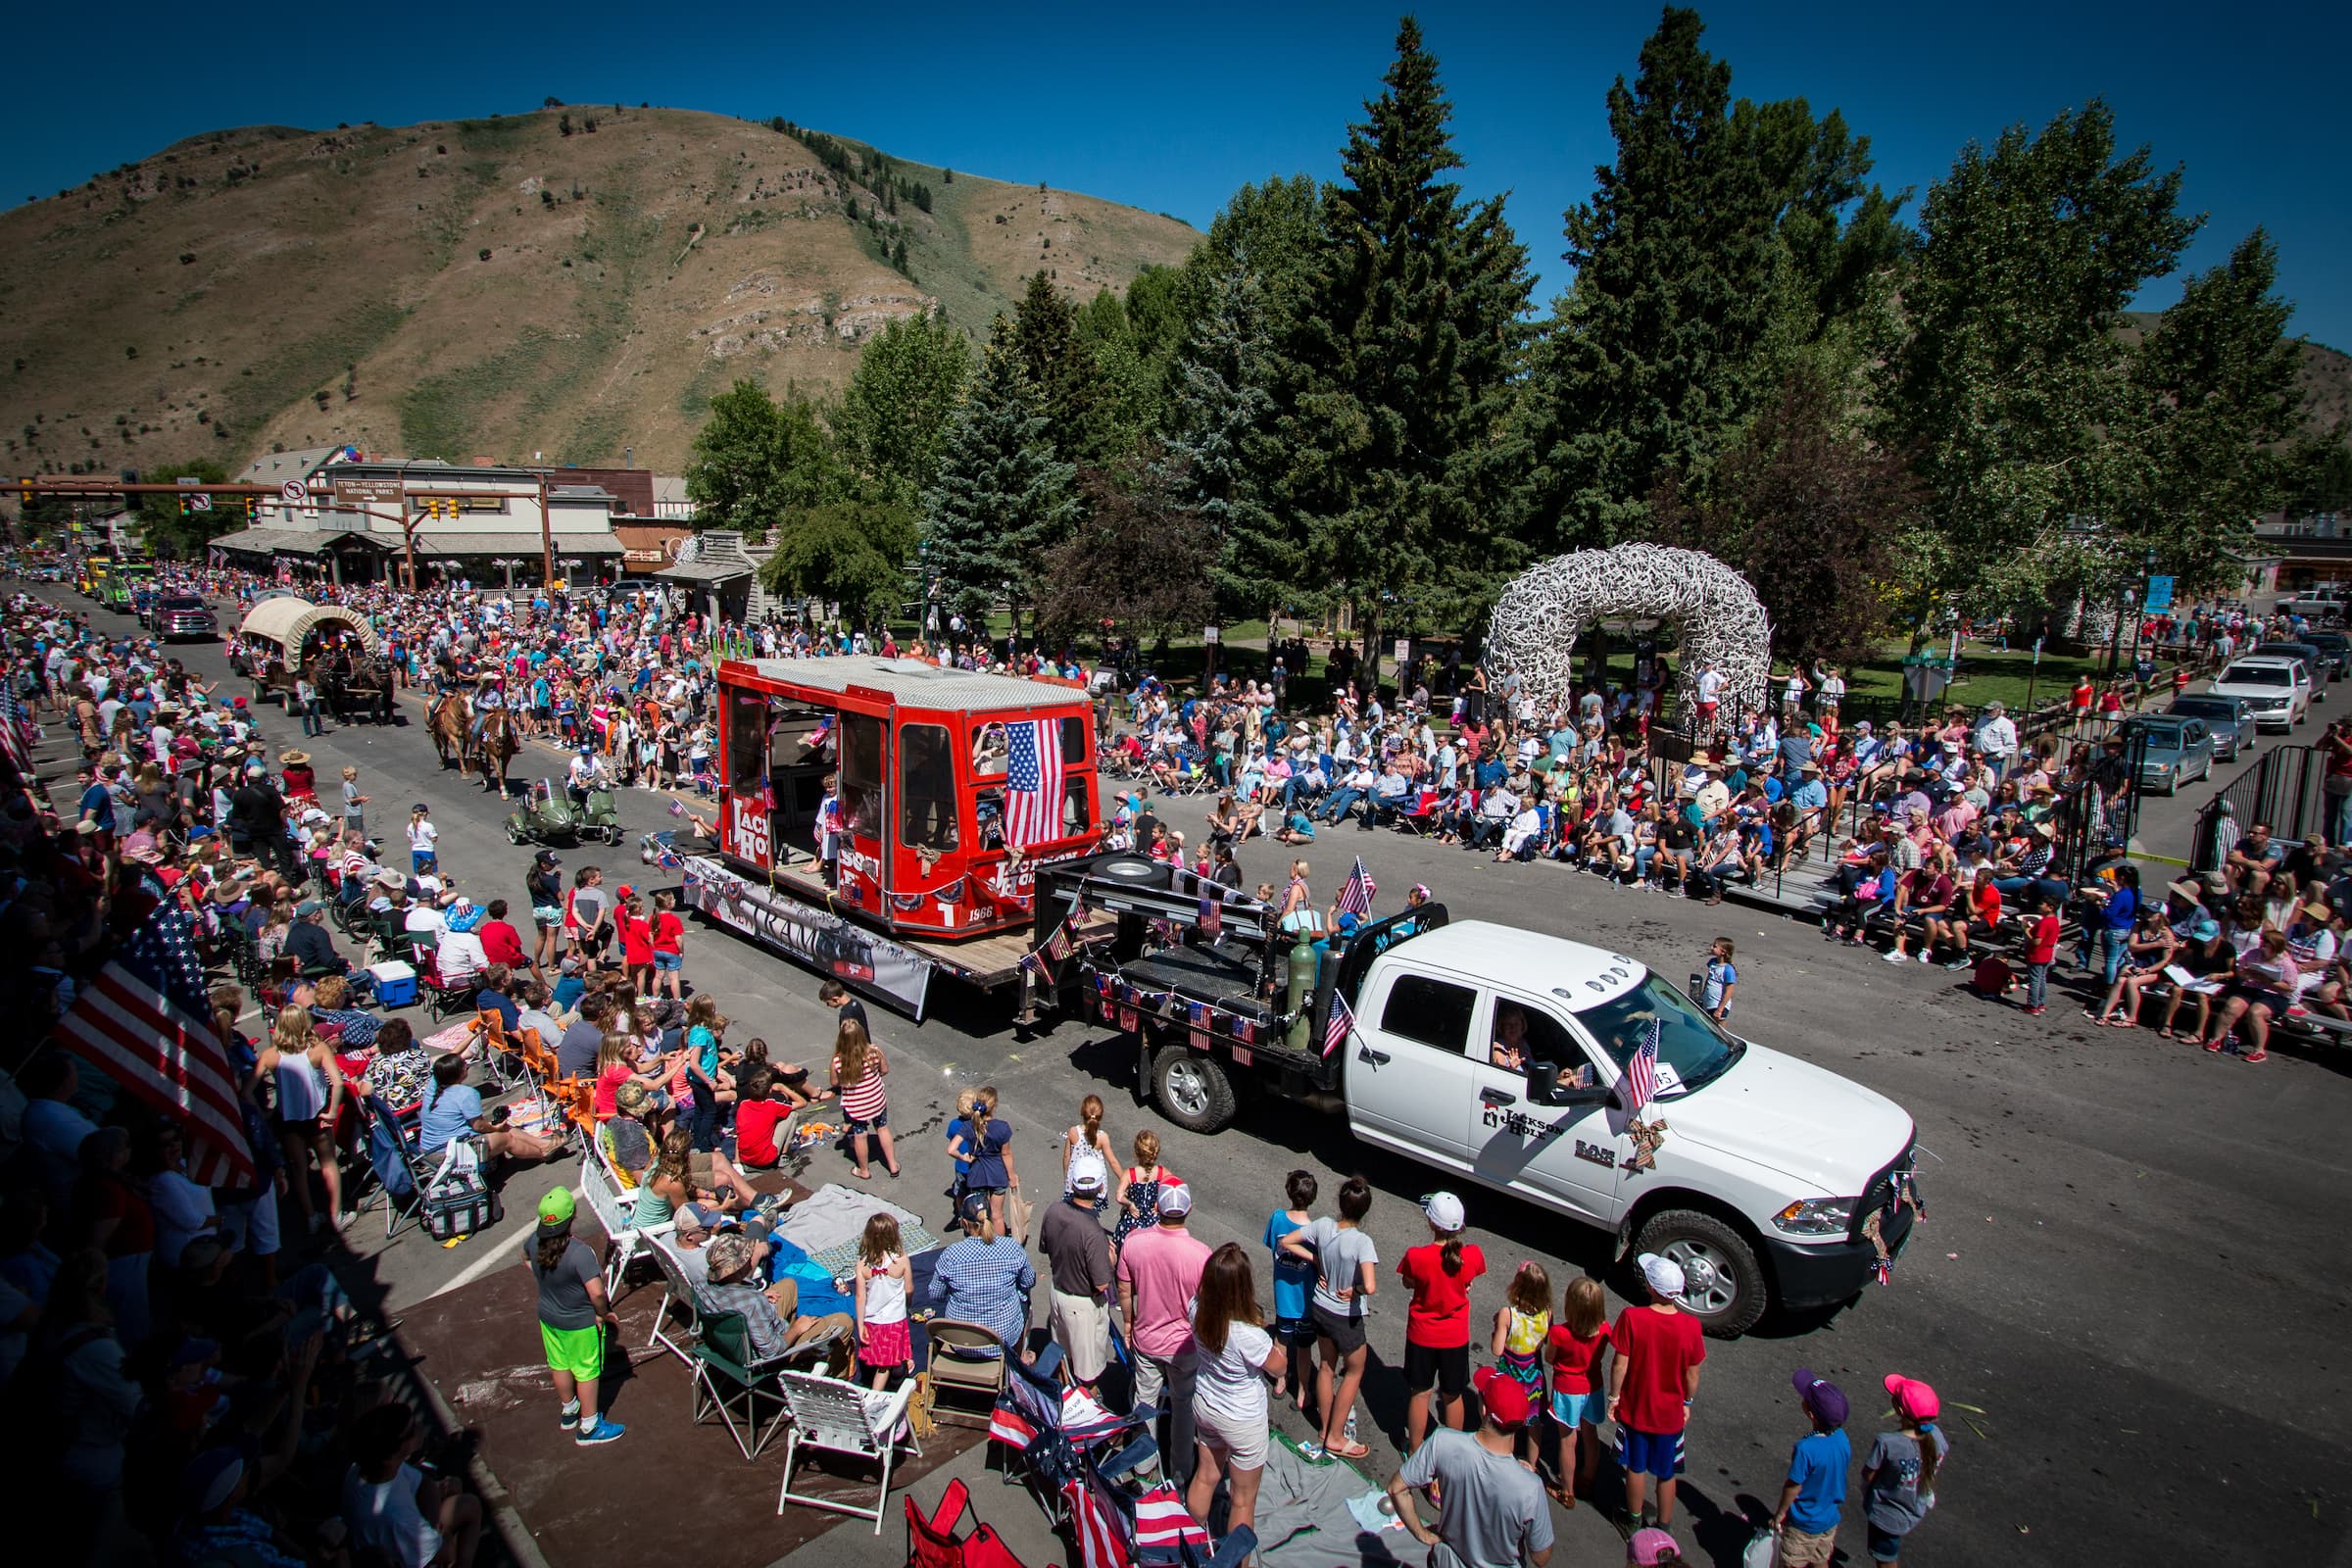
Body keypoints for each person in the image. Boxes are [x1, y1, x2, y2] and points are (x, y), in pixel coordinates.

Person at [1386, 1364, 1556, 1568]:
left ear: (1484, 1409)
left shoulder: (1443, 1442)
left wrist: (1422, 1533)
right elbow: (1541, 1557)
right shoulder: (1530, 1487)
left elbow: (1396, 1489)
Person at [1186, 1242, 1282, 1539]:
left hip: (1206, 1402)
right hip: (1242, 1417)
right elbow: (1278, 1368)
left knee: (1204, 1477)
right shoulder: (1249, 1335)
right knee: (1242, 1501)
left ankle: (1190, 1543)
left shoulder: (1195, 1310)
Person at [1606, 1253, 1707, 1531]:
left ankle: (1633, 1519)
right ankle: (1664, 1525)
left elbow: (1620, 1364)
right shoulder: (1691, 1327)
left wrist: (1614, 1397)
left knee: (1635, 1467)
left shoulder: (1632, 1318)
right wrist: (1687, 1401)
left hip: (1636, 1408)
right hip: (1670, 1414)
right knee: (1667, 1472)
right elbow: (1692, 1373)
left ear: (1651, 1288)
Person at [1117, 1182, 1211, 1480]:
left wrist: (1129, 1325)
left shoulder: (1134, 1243)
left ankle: (1143, 1468)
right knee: (1184, 1407)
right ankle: (1181, 1473)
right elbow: (1208, 1306)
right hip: (1184, 1347)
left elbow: (1124, 1288)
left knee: (1144, 1401)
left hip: (1146, 1339)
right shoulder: (1201, 1254)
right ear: (1188, 1210)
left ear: (1156, 1208)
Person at [525, 1188, 625, 1445]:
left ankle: (569, 1410)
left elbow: (526, 1258)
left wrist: (544, 1279)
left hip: (549, 1317)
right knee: (587, 1371)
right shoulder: (580, 1253)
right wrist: (604, 1313)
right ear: (573, 1216)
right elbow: (597, 1293)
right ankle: (589, 1426)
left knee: (559, 1364)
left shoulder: (533, 1242)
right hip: (579, 1323)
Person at [1294, 1173, 1378, 1461]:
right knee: (1354, 1371)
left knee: (1326, 1366)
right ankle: (1336, 1436)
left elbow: (1288, 1242)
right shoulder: (1362, 1242)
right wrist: (1353, 1290)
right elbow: (1370, 1286)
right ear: (1364, 1210)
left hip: (1320, 1306)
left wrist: (1315, 1260)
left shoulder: (1323, 1226)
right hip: (1345, 1315)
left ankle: (1324, 1429)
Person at [342, 1400, 482, 1568]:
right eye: (410, 1431)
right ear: (390, 1455)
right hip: (398, 1556)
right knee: (470, 1506)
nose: (419, 1429)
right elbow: (445, 1553)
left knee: (455, 1488)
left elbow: (425, 1483)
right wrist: (438, 1535)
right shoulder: (396, 1516)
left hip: (401, 1538)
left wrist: (432, 1525)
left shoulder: (367, 1468)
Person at [1399, 1191, 1486, 1454]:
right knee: (1452, 1395)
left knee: (1420, 1393)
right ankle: (1451, 1454)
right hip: (1455, 1337)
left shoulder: (1416, 1256)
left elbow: (1407, 1281)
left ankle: (1415, 1451)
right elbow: (1468, 1279)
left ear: (1431, 1223)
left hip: (1422, 1335)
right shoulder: (1472, 1255)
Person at [1040, 1154, 1117, 1393]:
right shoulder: (1093, 1232)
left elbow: (1044, 1247)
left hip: (1058, 1293)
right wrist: (1111, 1261)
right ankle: (1086, 1416)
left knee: (1063, 1360)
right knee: (1088, 1375)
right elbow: (1103, 1283)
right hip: (1083, 1306)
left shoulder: (1053, 1211)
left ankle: (1064, 1403)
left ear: (1072, 1184)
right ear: (1101, 1187)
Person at [928, 1191, 1035, 1357]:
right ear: (991, 1218)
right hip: (1002, 1339)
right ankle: (1020, 1357)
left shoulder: (951, 1255)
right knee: (1024, 1298)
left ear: (964, 1222)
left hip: (960, 1342)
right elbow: (1028, 1282)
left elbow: (935, 1293)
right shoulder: (1011, 1248)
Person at [1863, 1375, 1950, 1566]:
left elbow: (1868, 1474)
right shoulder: (1936, 1436)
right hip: (1914, 1505)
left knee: (1885, 1559)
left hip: (1887, 1513)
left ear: (1899, 1410)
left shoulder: (1887, 1442)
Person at [1543, 1273, 1612, 1508]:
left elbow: (1550, 1358)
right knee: (1590, 1434)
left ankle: (1567, 1490)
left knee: (1567, 1439)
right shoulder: (1604, 1330)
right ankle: (1587, 1478)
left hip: (1568, 1389)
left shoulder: (1560, 1333)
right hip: (1593, 1386)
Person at [1773, 1369, 1852, 1568]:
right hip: (1829, 1518)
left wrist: (1781, 1513)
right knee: (1820, 1560)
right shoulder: (1842, 1438)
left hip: (1803, 1523)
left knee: (1792, 1563)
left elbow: (1793, 1486)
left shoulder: (1806, 1448)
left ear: (1810, 1413)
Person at [418, 1054, 556, 1166]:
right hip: (450, 1153)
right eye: (464, 1066)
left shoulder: (433, 1085)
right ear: (461, 1073)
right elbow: (479, 1126)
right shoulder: (466, 1094)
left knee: (502, 1126)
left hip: (429, 1151)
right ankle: (542, 1154)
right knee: (505, 1138)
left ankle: (545, 1144)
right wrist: (495, 1129)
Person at [1264, 1168, 1318, 1415]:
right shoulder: (1315, 1230)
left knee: (1281, 1340)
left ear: (1288, 1192)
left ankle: (1280, 1381)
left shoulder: (1277, 1218)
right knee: (1304, 1348)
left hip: (1283, 1297)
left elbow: (1270, 1244)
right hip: (1306, 1301)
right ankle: (1303, 1392)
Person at [1489, 1260, 1551, 1463]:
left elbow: (1497, 1349)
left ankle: (1506, 1458)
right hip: (1534, 1373)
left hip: (1512, 1373)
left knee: (1508, 1418)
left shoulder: (1508, 1314)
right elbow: (1544, 1342)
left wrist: (1497, 1328)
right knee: (1534, 1422)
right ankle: (1532, 1464)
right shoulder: (1547, 1312)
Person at [830, 1017, 900, 1179]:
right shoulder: (874, 1051)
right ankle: (892, 1165)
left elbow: (834, 1082)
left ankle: (864, 1170)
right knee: (882, 1128)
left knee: (860, 1136)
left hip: (857, 1106)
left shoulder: (838, 1060)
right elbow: (885, 1070)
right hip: (877, 1099)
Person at [853, 1212, 913, 1390]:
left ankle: (900, 1362)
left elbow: (860, 1296)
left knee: (879, 1354)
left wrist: (861, 1324)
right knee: (885, 1364)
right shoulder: (901, 1260)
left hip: (873, 1319)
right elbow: (909, 1288)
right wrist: (907, 1304)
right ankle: (875, 1396)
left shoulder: (862, 1263)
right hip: (893, 1320)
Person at [959, 1086, 1018, 1238]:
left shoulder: (969, 1126)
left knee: (980, 1215)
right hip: (997, 1175)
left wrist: (964, 1157)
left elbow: (951, 1149)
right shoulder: (1002, 1128)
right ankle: (1000, 1248)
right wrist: (1012, 1176)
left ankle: (979, 1244)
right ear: (994, 1106)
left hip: (977, 1176)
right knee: (997, 1215)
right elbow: (1006, 1154)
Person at [1114, 1127, 1181, 1249]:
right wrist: (1158, 1204)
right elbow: (1176, 1187)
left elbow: (1119, 1196)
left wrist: (1130, 1205)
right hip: (1153, 1221)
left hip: (1133, 1220)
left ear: (1136, 1153)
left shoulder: (1130, 1174)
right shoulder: (1162, 1172)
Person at [1699, 937, 1737, 1023]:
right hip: (1708, 1002)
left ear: (1723, 952)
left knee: (1719, 1032)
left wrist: (1720, 1010)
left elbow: (1729, 992)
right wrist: (1702, 995)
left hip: (1718, 1005)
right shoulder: (1712, 962)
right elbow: (1709, 980)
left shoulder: (1728, 969)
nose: (1711, 947)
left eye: (1714, 946)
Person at [406, 804, 438, 876]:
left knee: (419, 871)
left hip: (415, 850)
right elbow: (434, 839)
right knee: (429, 871)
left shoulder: (410, 826)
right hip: (427, 851)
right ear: (425, 813)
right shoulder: (428, 825)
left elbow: (410, 839)